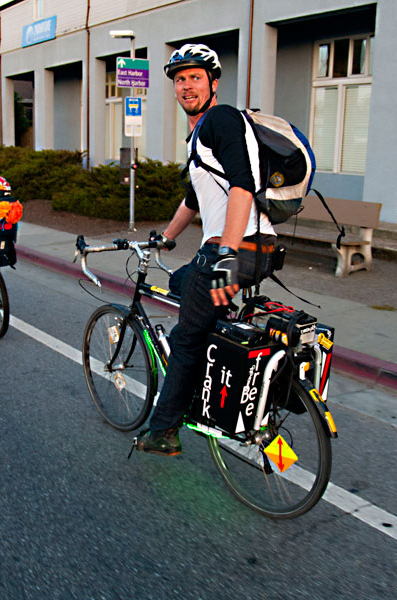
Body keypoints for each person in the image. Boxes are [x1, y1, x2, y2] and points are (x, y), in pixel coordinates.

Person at [135, 44, 276, 456]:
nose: (186, 86)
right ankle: (206, 376)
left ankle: (163, 432)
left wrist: (226, 253)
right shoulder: (199, 136)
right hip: (245, 250)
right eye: (180, 80)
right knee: (182, 281)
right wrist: (166, 237)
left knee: (186, 340)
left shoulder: (221, 119)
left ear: (213, 82)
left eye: (195, 77)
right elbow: (193, 200)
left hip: (237, 250)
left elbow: (242, 185)